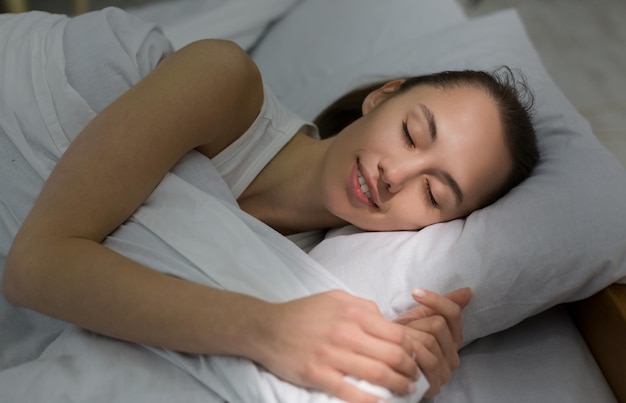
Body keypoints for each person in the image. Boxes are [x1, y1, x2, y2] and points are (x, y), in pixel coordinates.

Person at [2, 31, 538, 402]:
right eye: (411, 134)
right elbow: (35, 266)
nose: (394, 175)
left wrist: (407, 366)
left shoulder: (303, 270)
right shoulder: (225, 81)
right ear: (383, 97)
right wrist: (267, 330)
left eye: (434, 194)